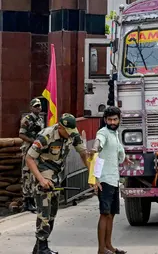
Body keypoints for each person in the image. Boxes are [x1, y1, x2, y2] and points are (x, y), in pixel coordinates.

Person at [25, 113, 89, 254]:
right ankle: (42, 247)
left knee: (52, 212)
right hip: (41, 173)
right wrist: (41, 179)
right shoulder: (46, 136)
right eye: (67, 131)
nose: (70, 134)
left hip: (56, 175)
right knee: (44, 211)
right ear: (60, 127)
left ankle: (39, 247)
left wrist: (92, 175)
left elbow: (83, 153)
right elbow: (29, 158)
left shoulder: (73, 133)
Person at [90, 106, 132, 254]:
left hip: (114, 179)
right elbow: (98, 143)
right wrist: (95, 149)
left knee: (112, 214)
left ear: (119, 119)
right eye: (109, 119)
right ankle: (101, 249)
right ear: (105, 120)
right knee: (104, 213)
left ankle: (109, 246)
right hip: (104, 180)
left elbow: (118, 150)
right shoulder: (103, 132)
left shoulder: (115, 134)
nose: (112, 122)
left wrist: (125, 158)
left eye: (115, 119)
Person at [19, 98, 45, 212]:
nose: (38, 108)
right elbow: (21, 134)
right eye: (36, 106)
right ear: (31, 107)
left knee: (34, 174)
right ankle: (27, 200)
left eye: (39, 106)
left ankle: (33, 198)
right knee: (27, 174)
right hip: (29, 149)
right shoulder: (27, 119)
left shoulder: (40, 119)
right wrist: (32, 141)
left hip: (37, 150)